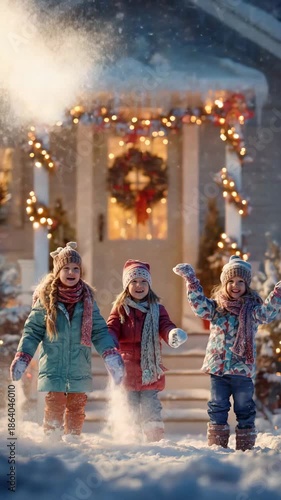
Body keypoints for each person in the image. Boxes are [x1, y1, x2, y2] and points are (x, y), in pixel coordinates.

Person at [10, 242, 124, 438]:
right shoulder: (46, 301)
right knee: (54, 406)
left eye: (76, 268)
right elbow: (32, 331)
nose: (71, 272)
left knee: (77, 407)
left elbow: (99, 331)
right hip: (53, 366)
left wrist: (110, 354)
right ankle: (52, 440)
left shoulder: (87, 300)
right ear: (58, 271)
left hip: (79, 365)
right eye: (66, 268)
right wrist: (23, 356)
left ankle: (73, 440)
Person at [173, 256, 281, 451]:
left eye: (240, 281)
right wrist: (191, 281)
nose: (235, 285)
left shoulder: (253, 310)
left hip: (242, 371)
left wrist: (277, 293)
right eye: (230, 281)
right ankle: (218, 446)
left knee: (244, 408)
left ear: (247, 285)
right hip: (219, 369)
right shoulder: (216, 309)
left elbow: (268, 313)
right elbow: (199, 306)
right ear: (224, 283)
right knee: (217, 406)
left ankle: (246, 447)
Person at [107, 259, 188, 442]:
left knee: (151, 406)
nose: (139, 285)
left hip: (150, 367)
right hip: (127, 368)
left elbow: (165, 326)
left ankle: (155, 440)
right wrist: (109, 341)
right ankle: (131, 439)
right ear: (127, 285)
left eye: (144, 281)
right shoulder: (120, 309)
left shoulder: (158, 310)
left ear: (149, 285)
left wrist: (172, 334)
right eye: (134, 281)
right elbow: (111, 328)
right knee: (131, 406)